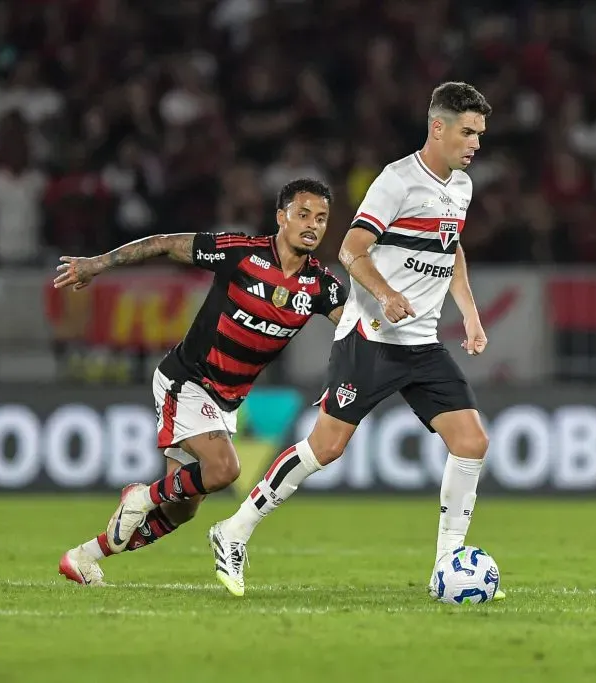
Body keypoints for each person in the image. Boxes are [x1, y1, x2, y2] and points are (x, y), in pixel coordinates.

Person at [204, 81, 504, 600]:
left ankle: (447, 564)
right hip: (370, 337)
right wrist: (385, 296)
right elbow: (351, 249)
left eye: (480, 133)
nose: (477, 143)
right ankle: (233, 530)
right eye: (469, 131)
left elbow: (450, 246)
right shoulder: (398, 181)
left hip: (422, 344)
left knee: (472, 441)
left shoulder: (461, 187)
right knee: (326, 447)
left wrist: (471, 315)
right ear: (438, 127)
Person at [53, 178, 344, 585]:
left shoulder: (321, 287)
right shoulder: (241, 254)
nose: (312, 224)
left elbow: (354, 333)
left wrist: (348, 375)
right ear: (281, 217)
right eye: (303, 214)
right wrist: (99, 263)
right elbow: (166, 243)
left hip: (226, 401)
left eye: (322, 218)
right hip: (186, 381)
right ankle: (141, 496)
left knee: (182, 510)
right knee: (224, 469)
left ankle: (84, 556)